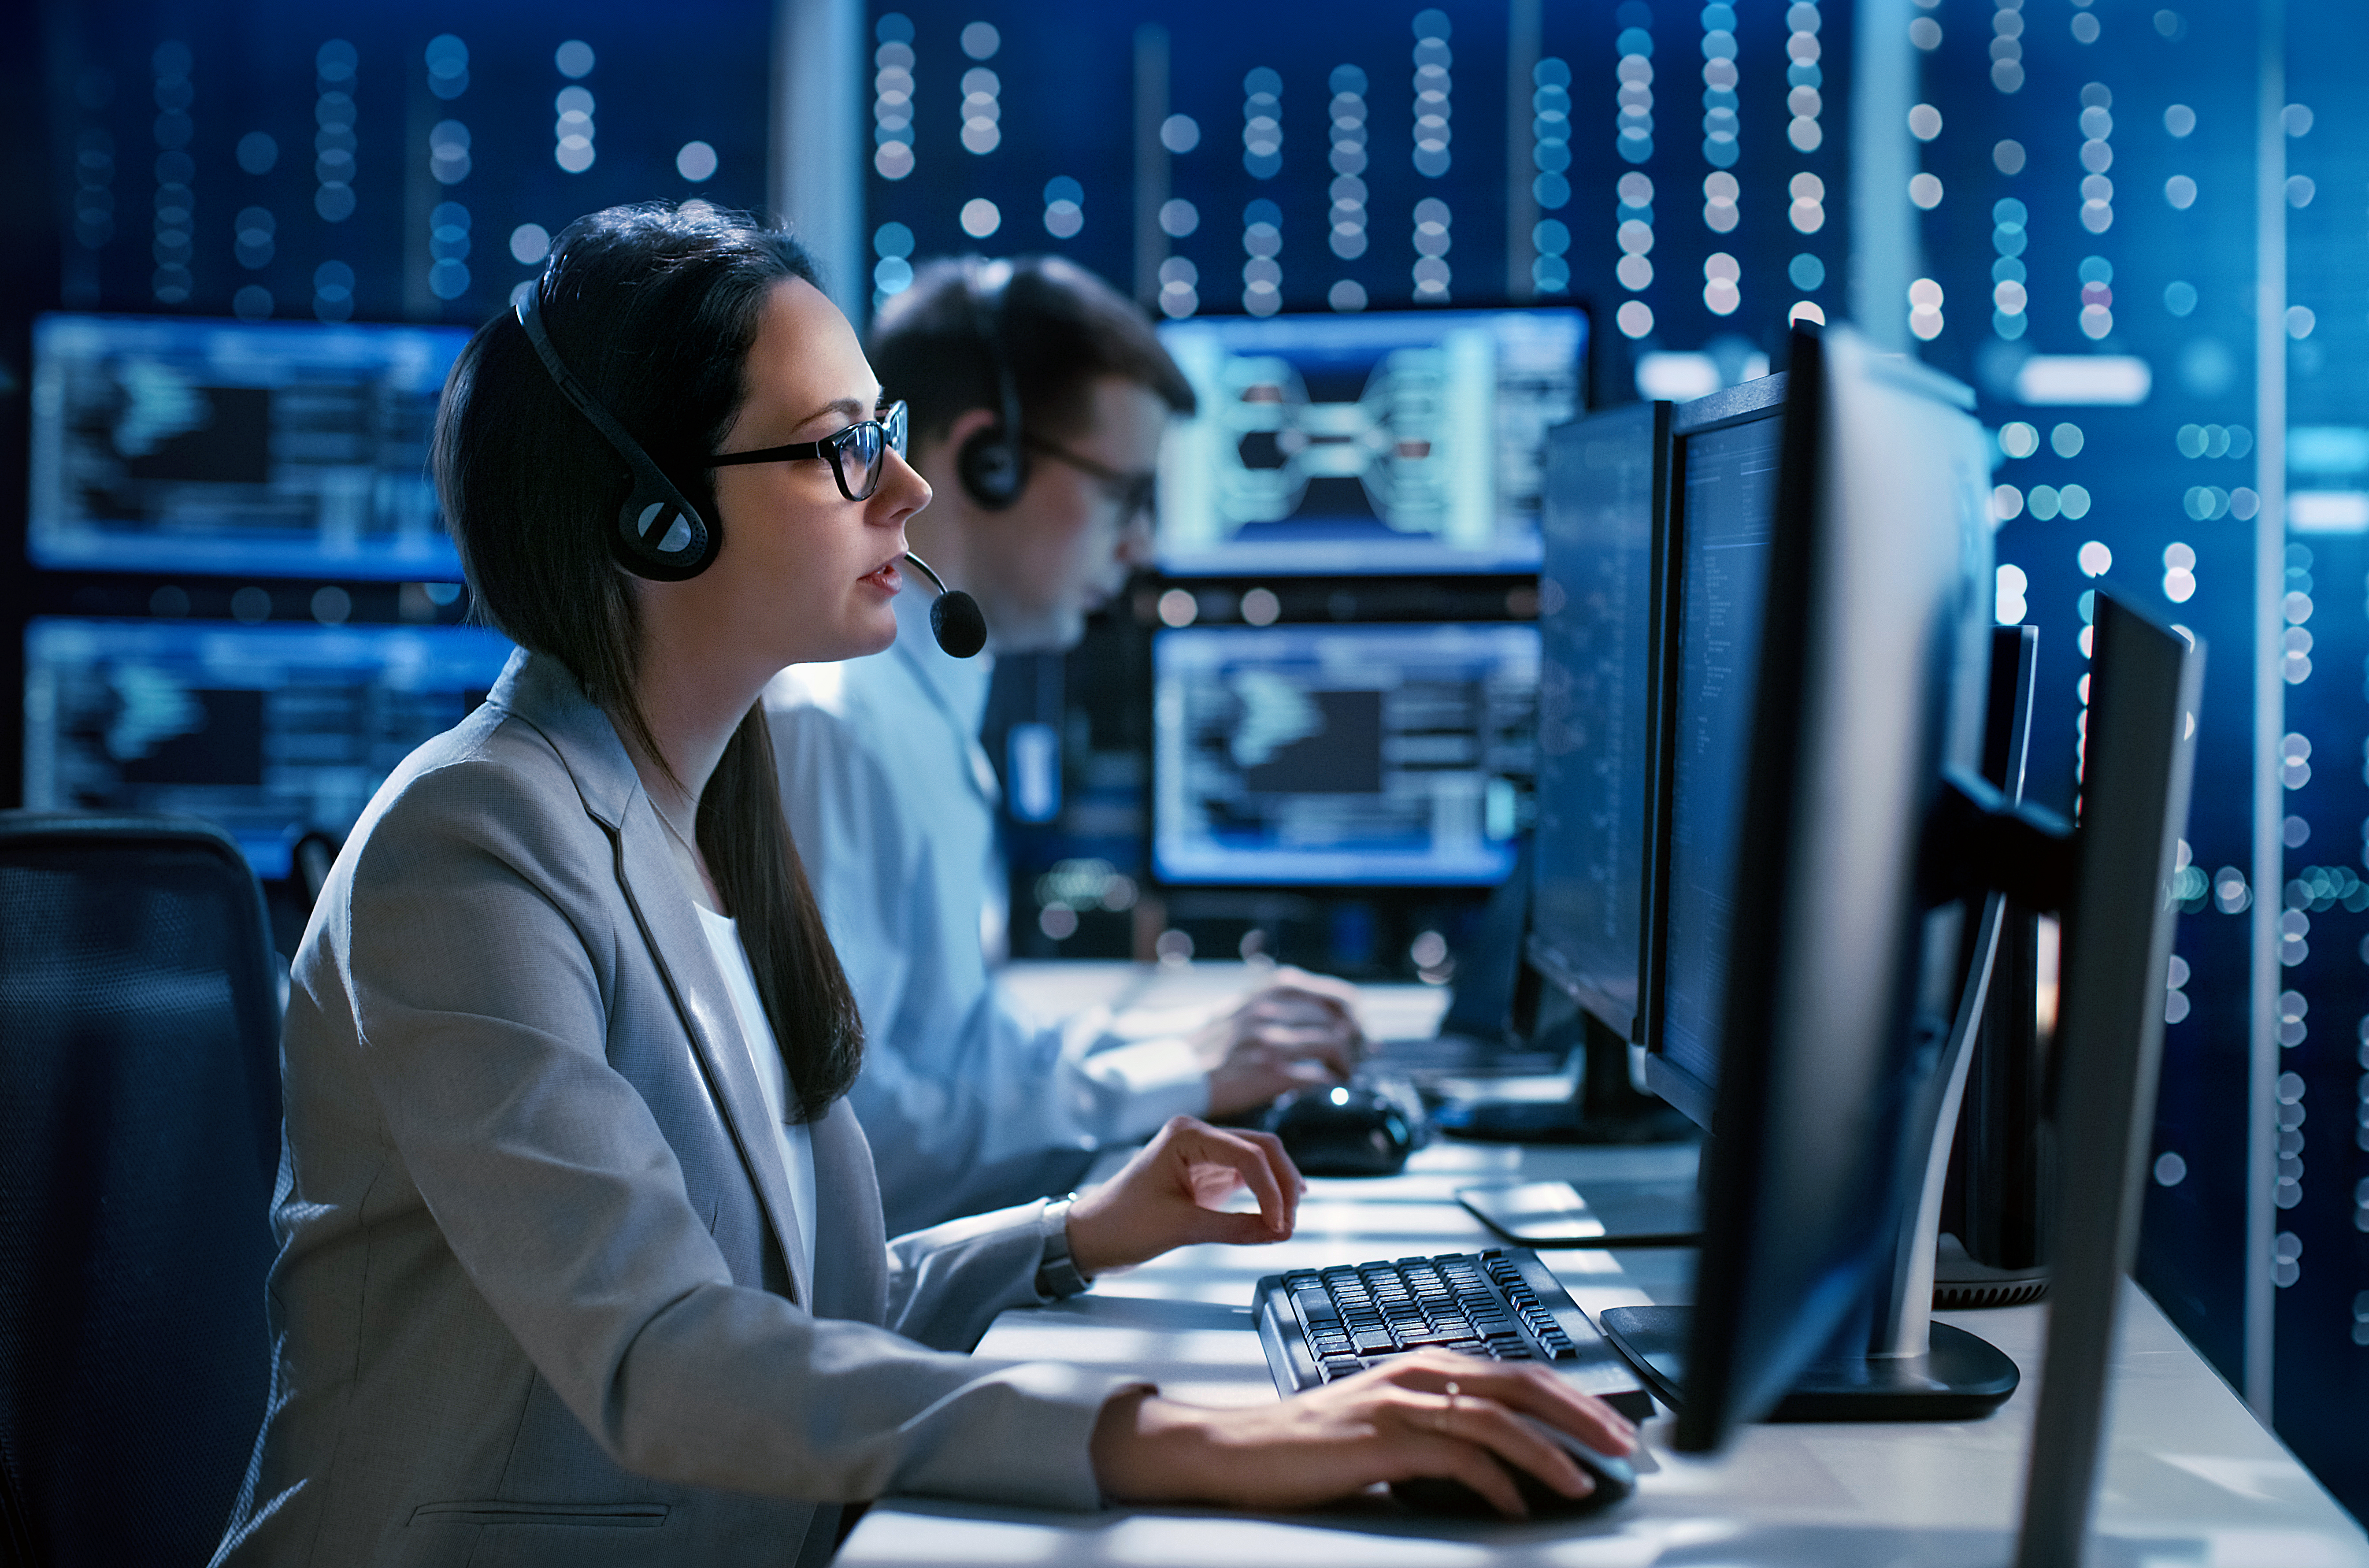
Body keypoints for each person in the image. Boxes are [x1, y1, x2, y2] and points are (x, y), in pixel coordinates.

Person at [208, 204, 1635, 1566]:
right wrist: (1208, 1437)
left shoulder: (714, 815)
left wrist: (1076, 1233)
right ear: (655, 513)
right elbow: (663, 1355)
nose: (909, 489)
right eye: (842, 451)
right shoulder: (472, 847)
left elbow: (803, 1308)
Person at [765, 255, 1366, 1234]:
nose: (1140, 548)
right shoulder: (834, 729)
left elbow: (952, 1051)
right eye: (1125, 496)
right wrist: (1187, 1073)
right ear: (986, 459)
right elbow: (853, 1148)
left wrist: (1189, 1051)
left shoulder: (920, 709)